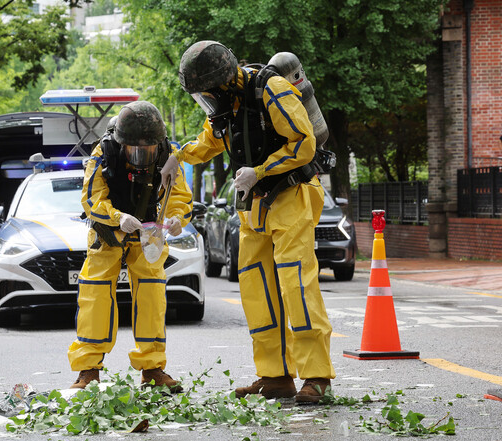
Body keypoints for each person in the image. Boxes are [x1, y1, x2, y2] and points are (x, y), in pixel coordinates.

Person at [162, 41, 335, 403]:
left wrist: (259, 171)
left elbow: (303, 143)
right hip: (254, 209)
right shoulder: (225, 107)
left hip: (291, 196)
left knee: (296, 289)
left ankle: (317, 376)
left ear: (223, 82)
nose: (206, 101)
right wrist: (177, 156)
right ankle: (275, 376)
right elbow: (208, 143)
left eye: (206, 93)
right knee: (258, 292)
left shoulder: (271, 89)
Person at [67, 101, 192, 393]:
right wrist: (117, 217)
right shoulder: (103, 152)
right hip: (109, 230)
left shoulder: (168, 155)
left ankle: (153, 369)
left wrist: (176, 219)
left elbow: (178, 195)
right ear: (122, 144)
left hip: (148, 230)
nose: (141, 156)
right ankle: (88, 371)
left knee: (151, 294)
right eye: (134, 150)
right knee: (95, 294)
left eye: (147, 150)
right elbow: (91, 198)